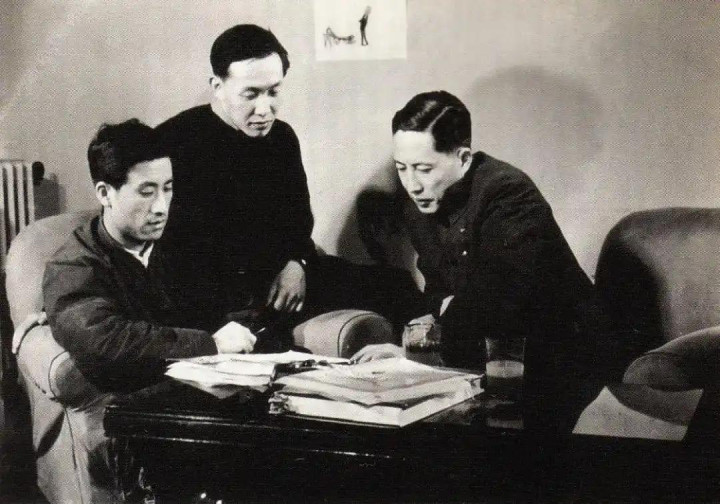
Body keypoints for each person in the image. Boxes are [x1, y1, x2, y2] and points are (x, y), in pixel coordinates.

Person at [352, 91, 605, 425]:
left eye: (424, 169)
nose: (412, 184)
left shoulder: (509, 193)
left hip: (561, 361)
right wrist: (425, 334)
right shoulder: (420, 203)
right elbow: (439, 292)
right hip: (485, 357)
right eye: (402, 168)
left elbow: (497, 304)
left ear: (463, 157)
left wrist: (413, 356)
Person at [156, 24, 419, 342]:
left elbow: (298, 222)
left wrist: (298, 264)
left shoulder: (281, 137)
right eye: (251, 94)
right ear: (218, 86)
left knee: (397, 286)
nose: (264, 109)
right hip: (212, 295)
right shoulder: (171, 144)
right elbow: (168, 253)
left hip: (284, 278)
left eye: (273, 92)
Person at [43, 120, 257, 393]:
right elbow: (106, 342)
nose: (161, 207)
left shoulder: (185, 240)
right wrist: (210, 344)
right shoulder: (72, 265)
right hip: (141, 404)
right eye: (146, 193)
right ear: (105, 194)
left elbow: (239, 303)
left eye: (167, 188)